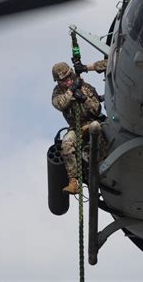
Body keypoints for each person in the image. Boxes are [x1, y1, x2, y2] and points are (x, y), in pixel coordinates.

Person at [51, 60, 106, 194]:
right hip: (76, 127)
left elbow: (96, 109)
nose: (67, 82)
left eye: (69, 78)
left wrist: (84, 99)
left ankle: (104, 164)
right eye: (63, 81)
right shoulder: (58, 92)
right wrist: (71, 91)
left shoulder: (85, 87)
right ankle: (74, 182)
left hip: (94, 123)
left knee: (98, 131)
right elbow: (59, 104)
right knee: (66, 143)